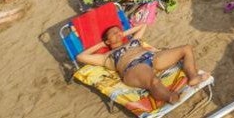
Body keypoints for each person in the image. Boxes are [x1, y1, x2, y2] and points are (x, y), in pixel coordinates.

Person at [75, 24, 208, 105]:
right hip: (133, 68)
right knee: (154, 81)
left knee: (186, 48)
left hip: (152, 58)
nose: (118, 33)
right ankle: (170, 97)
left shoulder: (133, 40)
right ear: (107, 41)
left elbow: (143, 25)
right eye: (114, 33)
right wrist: (103, 43)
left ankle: (193, 76)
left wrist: (122, 34)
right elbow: (80, 57)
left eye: (119, 30)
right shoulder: (106, 57)